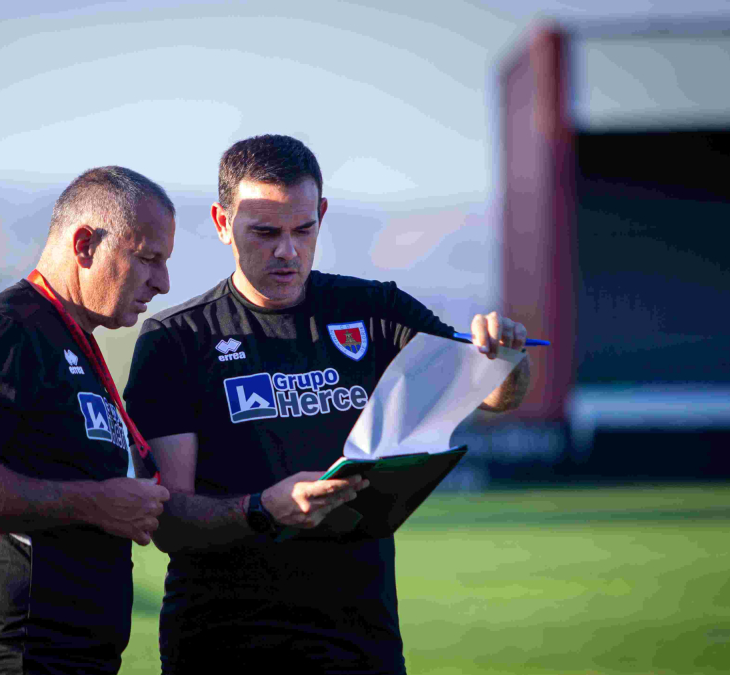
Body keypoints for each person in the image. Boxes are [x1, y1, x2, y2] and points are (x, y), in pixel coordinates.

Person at [123, 135, 532, 674]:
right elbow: (168, 518)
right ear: (223, 224)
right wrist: (263, 509)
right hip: (222, 645)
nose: (287, 251)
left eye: (303, 230)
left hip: (361, 643)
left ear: (321, 214)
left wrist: (507, 359)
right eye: (265, 232)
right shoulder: (177, 340)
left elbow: (495, 395)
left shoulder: (375, 310)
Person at [0, 166, 175, 675]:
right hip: (7, 660)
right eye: (149, 259)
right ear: (84, 245)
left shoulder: (71, 342)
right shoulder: (2, 333)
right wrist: (98, 504)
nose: (163, 284)